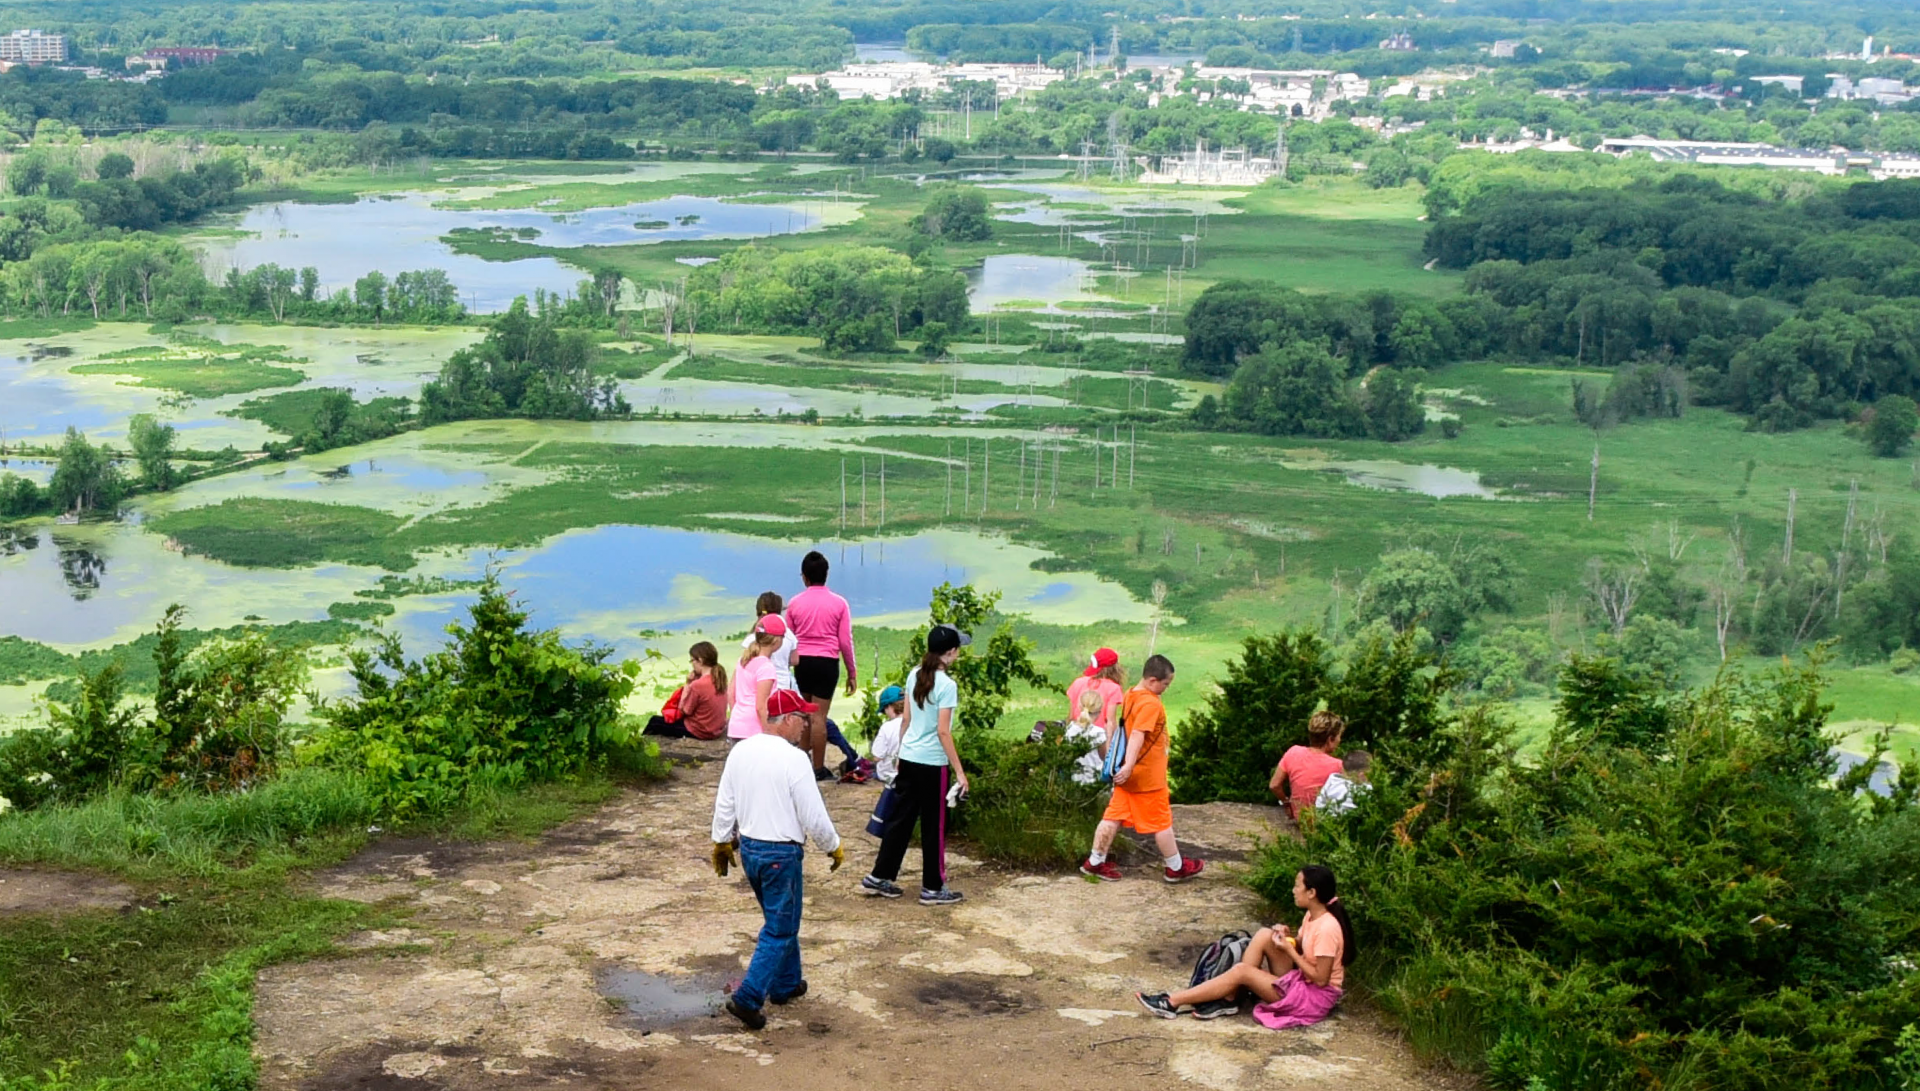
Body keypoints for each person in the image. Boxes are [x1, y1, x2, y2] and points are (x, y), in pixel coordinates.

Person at [710, 688, 845, 1030]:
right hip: (781, 854)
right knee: (780, 928)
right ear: (786, 719)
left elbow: (725, 801)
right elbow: (813, 813)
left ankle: (786, 983)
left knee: (782, 918)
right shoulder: (793, 758)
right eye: (802, 718)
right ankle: (749, 997)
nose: (805, 725)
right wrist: (832, 844)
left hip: (752, 850)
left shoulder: (741, 751)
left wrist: (722, 841)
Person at [1135, 864, 1354, 1027]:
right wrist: (1286, 938)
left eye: (1297, 886)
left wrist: (1289, 951)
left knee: (1242, 971)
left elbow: (1321, 978)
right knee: (1264, 934)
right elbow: (1303, 945)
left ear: (1312, 893)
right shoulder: (1312, 915)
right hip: (1302, 983)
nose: (1293, 890)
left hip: (1314, 997)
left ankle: (1172, 1002)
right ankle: (1230, 997)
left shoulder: (1327, 928)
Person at [861, 624, 971, 906]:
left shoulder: (914, 675)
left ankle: (880, 876)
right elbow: (943, 732)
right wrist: (959, 771)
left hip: (908, 758)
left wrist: (900, 754)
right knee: (934, 826)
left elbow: (906, 720)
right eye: (957, 649)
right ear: (950, 652)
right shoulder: (947, 685)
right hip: (933, 764)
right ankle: (933, 887)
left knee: (901, 820)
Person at [1079, 655, 1204, 884]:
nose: (1166, 689)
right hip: (1146, 776)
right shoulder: (1150, 703)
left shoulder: (1131, 695)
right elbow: (1138, 734)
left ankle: (1095, 862)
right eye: (1165, 684)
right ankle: (1175, 867)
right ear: (1153, 680)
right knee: (1161, 821)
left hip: (1128, 776)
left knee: (1113, 816)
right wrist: (1129, 765)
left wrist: (1126, 767)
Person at [787, 551, 858, 781]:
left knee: (804, 714)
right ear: (826, 575)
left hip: (802, 663)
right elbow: (845, 641)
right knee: (819, 717)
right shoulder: (839, 603)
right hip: (827, 663)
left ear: (804, 577)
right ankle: (818, 769)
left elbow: (788, 639)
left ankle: (801, 764)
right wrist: (852, 672)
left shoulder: (795, 603)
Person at [643, 642, 729, 740]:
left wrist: (688, 683)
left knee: (654, 721)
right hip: (716, 730)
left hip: (700, 731)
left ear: (700, 661)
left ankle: (640, 749)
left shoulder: (698, 685)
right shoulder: (720, 678)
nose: (692, 665)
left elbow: (684, 710)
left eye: (692, 660)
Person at [1271, 711, 1346, 819]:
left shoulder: (1293, 752)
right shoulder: (1338, 765)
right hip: (1322, 823)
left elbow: (1274, 785)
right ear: (1330, 739)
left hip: (1300, 819)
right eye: (1339, 736)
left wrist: (1286, 803)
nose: (1340, 740)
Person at [727, 617, 784, 740]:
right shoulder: (766, 667)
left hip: (736, 725)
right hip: (754, 729)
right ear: (777, 641)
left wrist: (737, 717)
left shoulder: (743, 660)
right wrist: (768, 731)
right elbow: (761, 706)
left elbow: (731, 693)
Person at [864, 684, 907, 837]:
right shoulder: (914, 722)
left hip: (888, 774)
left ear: (890, 707)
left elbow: (877, 755)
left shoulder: (887, 727)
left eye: (884, 710)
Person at [742, 591, 798, 694]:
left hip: (760, 687)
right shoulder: (789, 634)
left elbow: (745, 663)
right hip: (783, 687)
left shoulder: (753, 637)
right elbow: (795, 660)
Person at [1063, 647, 1125, 730]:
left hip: (1076, 732)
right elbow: (1110, 721)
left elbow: (1071, 716)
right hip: (1099, 737)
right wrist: (1109, 741)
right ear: (1115, 668)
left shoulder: (1078, 682)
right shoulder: (1114, 688)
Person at [1064, 687, 1109, 785]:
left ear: (1080, 707)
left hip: (1074, 780)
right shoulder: (1099, 733)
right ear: (1099, 712)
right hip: (1094, 781)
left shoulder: (1070, 729)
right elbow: (1104, 757)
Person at [1315, 750, 1371, 816]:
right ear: (1362, 774)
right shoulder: (1366, 790)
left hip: (1327, 821)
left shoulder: (1332, 781)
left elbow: (1319, 804)